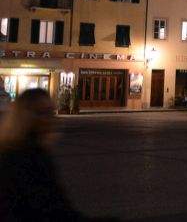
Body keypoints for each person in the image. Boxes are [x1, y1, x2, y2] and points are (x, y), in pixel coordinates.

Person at [0, 88, 107, 220]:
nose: (51, 119)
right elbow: (54, 210)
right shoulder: (26, 158)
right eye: (43, 112)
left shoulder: (23, 150)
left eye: (52, 112)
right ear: (26, 116)